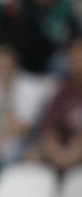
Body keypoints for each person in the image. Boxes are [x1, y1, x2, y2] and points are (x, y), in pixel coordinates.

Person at [40, 36, 82, 172]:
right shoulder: (62, 92)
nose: (77, 56)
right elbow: (50, 131)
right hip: (63, 159)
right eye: (73, 52)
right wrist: (57, 154)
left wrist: (73, 153)